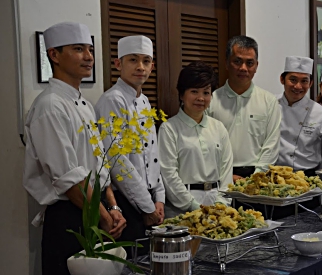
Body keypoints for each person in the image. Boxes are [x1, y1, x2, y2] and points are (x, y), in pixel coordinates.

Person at [23, 22, 126, 275]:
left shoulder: (84, 105)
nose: (89, 57)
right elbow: (68, 178)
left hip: (95, 207)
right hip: (72, 214)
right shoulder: (50, 106)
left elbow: (99, 164)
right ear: (54, 55)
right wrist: (101, 216)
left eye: (90, 49)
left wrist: (113, 207)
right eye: (78, 49)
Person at [94, 35, 165, 257]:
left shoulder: (144, 101)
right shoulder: (112, 100)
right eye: (133, 60)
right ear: (118, 64)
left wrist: (160, 197)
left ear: (152, 66)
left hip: (149, 198)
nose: (140, 67)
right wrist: (147, 206)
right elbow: (117, 160)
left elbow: (153, 153)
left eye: (146, 61)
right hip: (127, 201)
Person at [159, 61, 233, 218]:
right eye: (194, 91)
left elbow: (227, 169)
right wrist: (193, 206)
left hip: (218, 207)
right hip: (182, 209)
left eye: (206, 93)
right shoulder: (169, 129)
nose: (201, 98)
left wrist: (221, 204)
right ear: (181, 94)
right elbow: (168, 173)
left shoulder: (219, 128)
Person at [207, 36, 281, 181]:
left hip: (258, 178)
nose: (243, 68)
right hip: (219, 177)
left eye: (250, 63)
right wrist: (226, 175)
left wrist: (256, 177)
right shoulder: (211, 100)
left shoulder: (269, 101)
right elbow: (204, 144)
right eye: (237, 61)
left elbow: (271, 145)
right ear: (227, 63)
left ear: (256, 66)